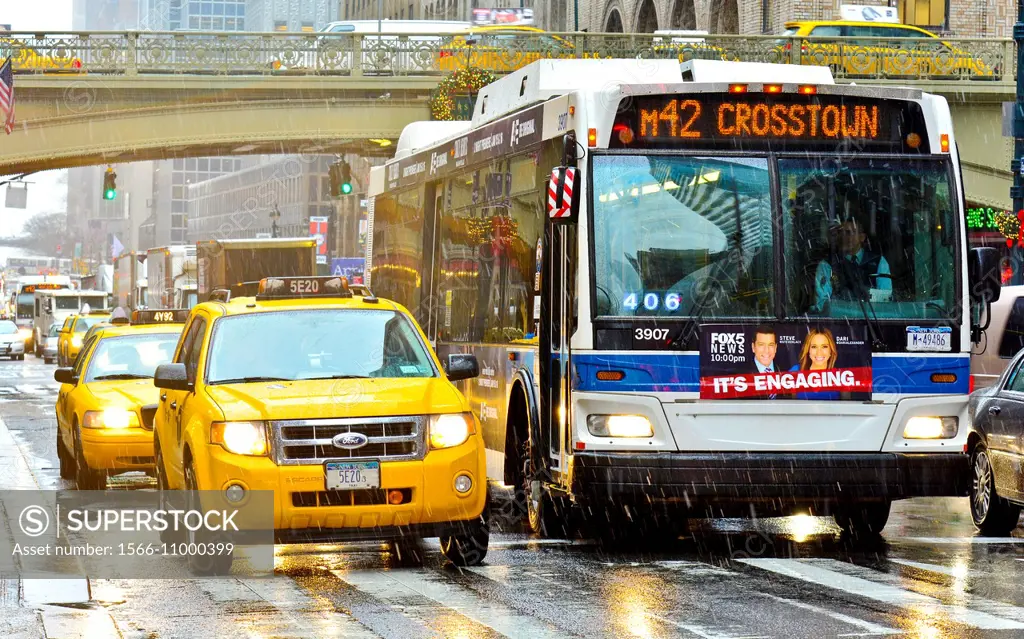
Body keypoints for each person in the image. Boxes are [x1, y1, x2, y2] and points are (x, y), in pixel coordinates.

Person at [812, 216, 891, 313]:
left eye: (849, 233)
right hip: (840, 324)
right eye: (840, 232)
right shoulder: (827, 265)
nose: (844, 237)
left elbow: (886, 300)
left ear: (862, 237)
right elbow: (821, 304)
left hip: (872, 322)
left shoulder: (878, 262)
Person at [791, 327, 839, 400]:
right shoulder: (795, 372)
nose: (819, 352)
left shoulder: (841, 376)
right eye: (814, 347)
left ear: (831, 350)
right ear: (808, 350)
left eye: (824, 347)